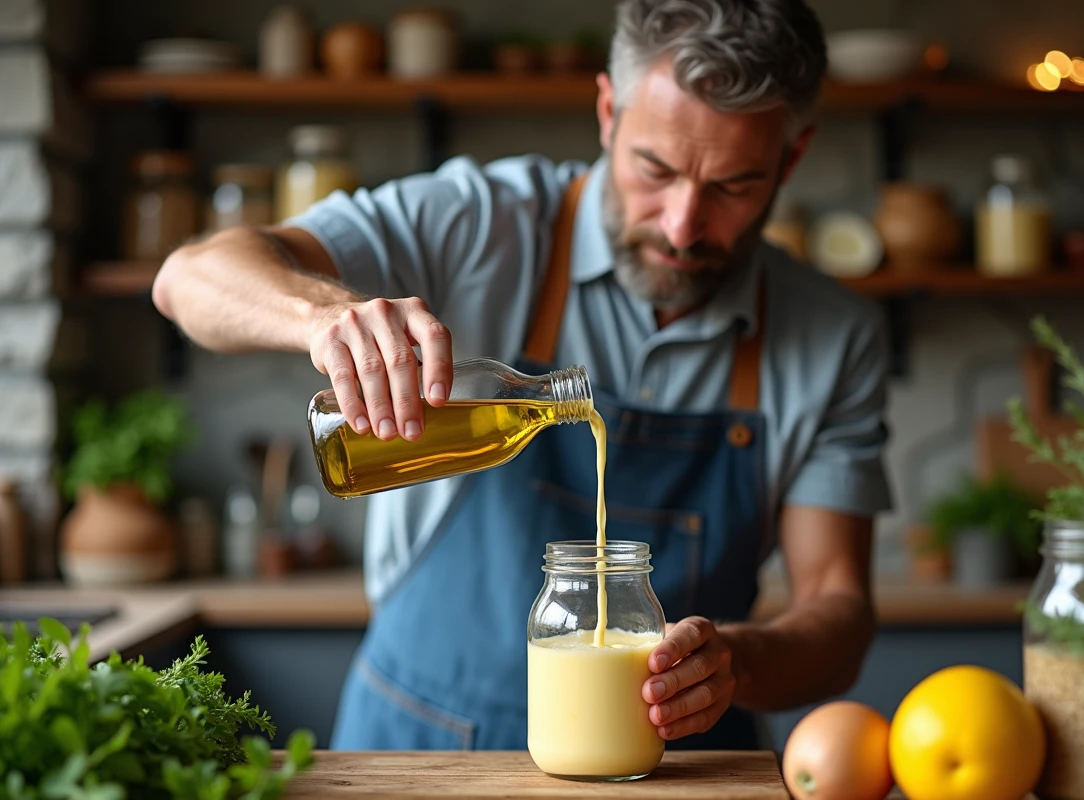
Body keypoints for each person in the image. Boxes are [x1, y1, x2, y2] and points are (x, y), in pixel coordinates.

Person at [152, 0, 892, 751]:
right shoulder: (477, 223)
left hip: (674, 767)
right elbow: (190, 279)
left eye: (733, 186)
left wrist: (739, 660)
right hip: (420, 749)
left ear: (790, 160)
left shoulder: (834, 336)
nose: (681, 224)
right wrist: (323, 315)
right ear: (608, 112)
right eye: (655, 169)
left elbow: (839, 610)